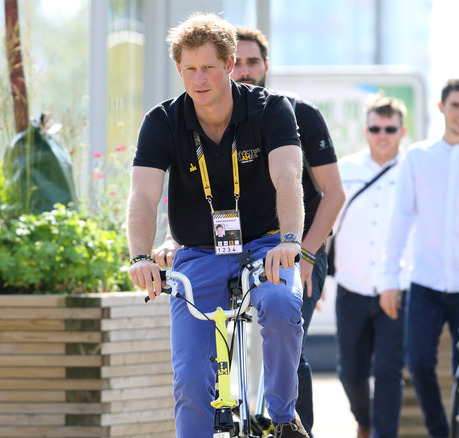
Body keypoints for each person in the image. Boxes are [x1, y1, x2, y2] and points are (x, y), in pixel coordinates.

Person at [126, 13, 309, 438]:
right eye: (189, 69)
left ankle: (283, 418)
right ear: (179, 70)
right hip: (199, 252)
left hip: (265, 245)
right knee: (191, 378)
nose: (199, 78)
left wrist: (290, 240)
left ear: (229, 65)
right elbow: (143, 194)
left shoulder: (270, 109)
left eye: (208, 67)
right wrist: (139, 255)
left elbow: (288, 177)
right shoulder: (162, 121)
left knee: (282, 306)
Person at [379, 78, 459, 438]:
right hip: (424, 280)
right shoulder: (417, 158)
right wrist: (389, 279)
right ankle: (440, 431)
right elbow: (401, 218)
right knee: (418, 362)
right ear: (441, 107)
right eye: (455, 106)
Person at [230, 25, 345, 435]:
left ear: (266, 65)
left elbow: (333, 194)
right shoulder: (211, 117)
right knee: (226, 350)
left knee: (289, 347)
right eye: (237, 62)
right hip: (236, 251)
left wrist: (308, 255)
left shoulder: (299, 113)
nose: (245, 70)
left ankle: (298, 430)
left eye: (253, 62)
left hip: (299, 248)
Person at [334, 96, 410, 438]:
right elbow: (326, 227)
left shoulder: (414, 171)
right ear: (366, 131)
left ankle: (383, 433)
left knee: (389, 370)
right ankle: (364, 421)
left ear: (401, 131)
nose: (383, 135)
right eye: (376, 128)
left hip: (397, 287)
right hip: (352, 285)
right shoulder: (344, 170)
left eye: (390, 128)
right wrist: (314, 275)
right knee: (350, 372)